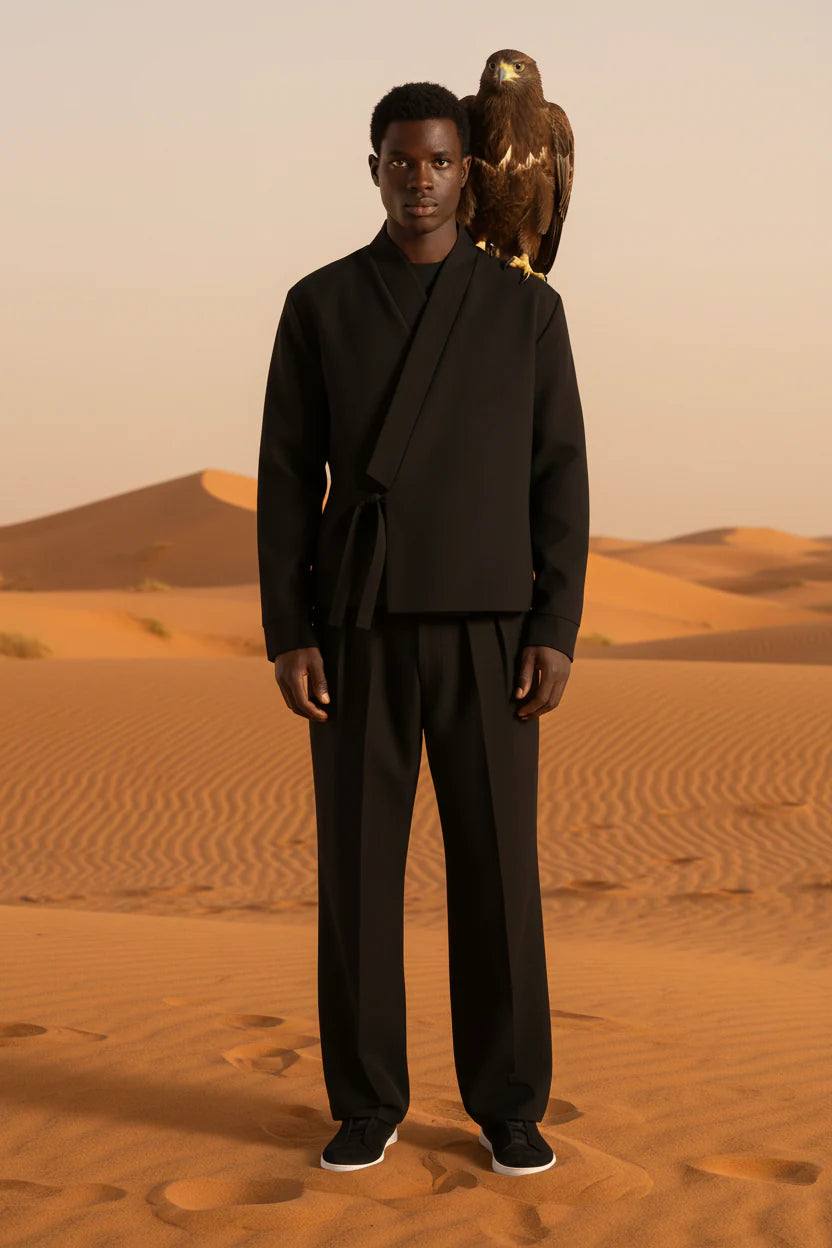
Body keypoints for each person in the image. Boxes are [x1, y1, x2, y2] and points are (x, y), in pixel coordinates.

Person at [256, 81, 590, 1177]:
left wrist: (556, 623)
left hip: (493, 628)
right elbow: (280, 478)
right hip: (354, 628)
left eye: (439, 162)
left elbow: (559, 476)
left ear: (468, 172)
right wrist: (287, 630)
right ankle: (363, 1100)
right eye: (400, 162)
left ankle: (507, 1103)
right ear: (374, 170)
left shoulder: (527, 310)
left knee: (497, 871)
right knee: (356, 875)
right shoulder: (317, 304)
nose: (419, 180)